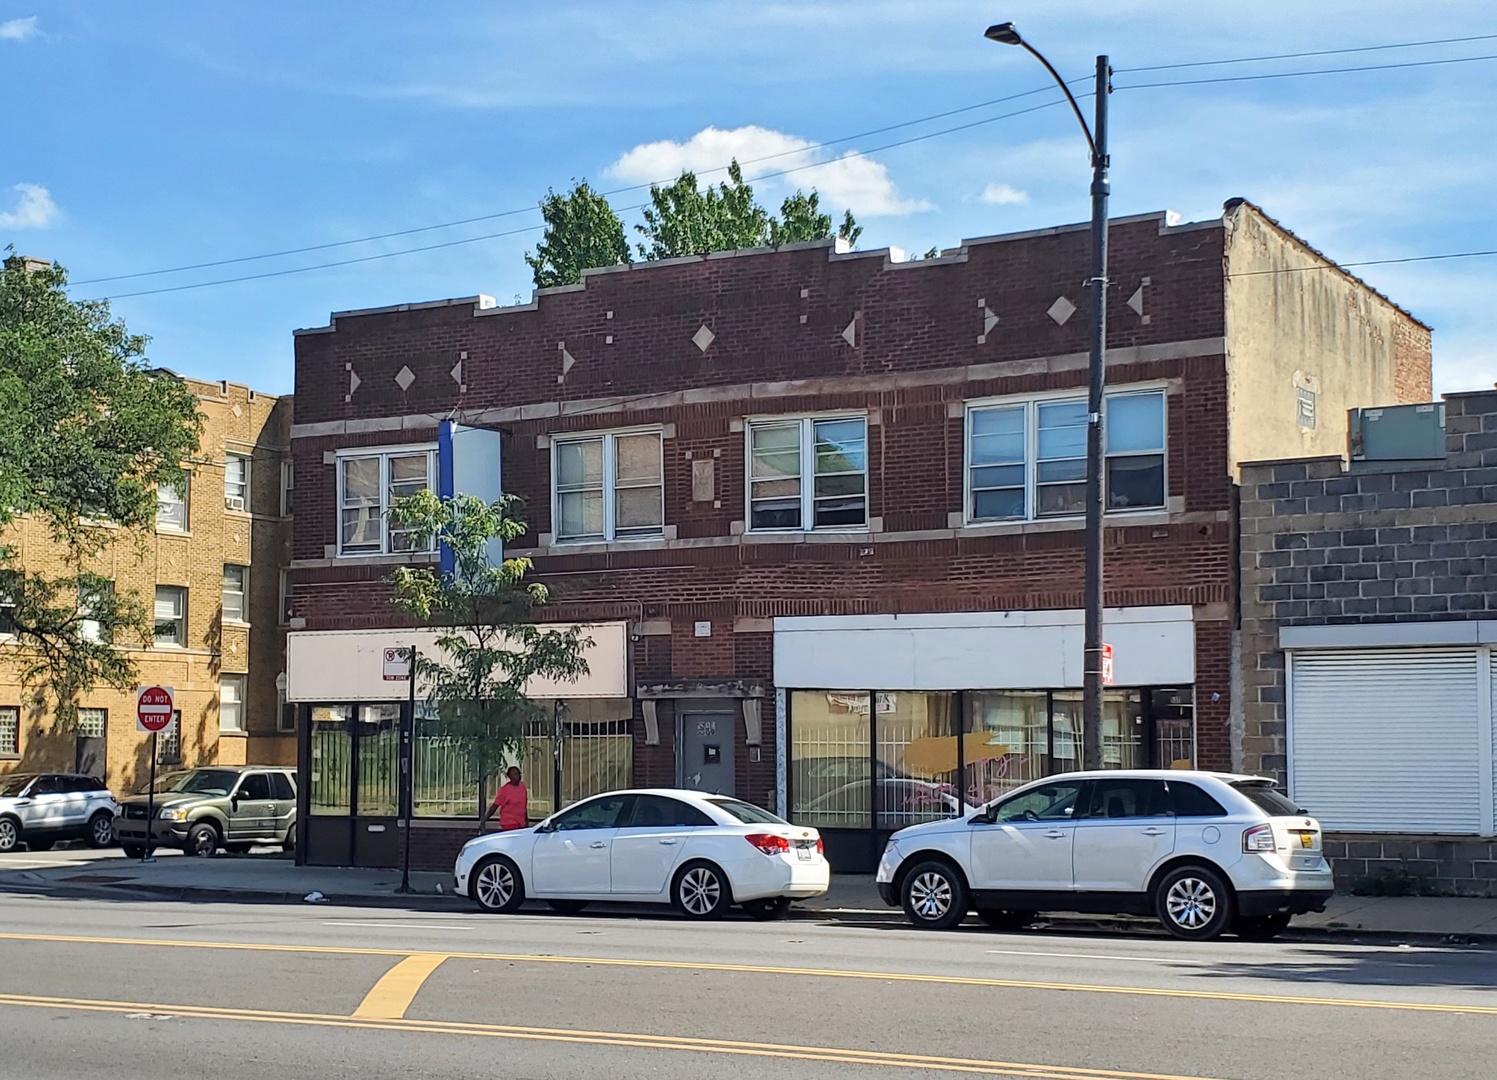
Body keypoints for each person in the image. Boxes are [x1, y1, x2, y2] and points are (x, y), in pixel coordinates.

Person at [482, 766, 529, 831]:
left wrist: (526, 820)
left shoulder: (522, 787)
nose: (517, 776)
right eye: (514, 774)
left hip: (521, 823)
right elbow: (495, 806)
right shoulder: (504, 790)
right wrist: (485, 819)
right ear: (509, 776)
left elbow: (524, 805)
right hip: (509, 823)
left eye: (518, 774)